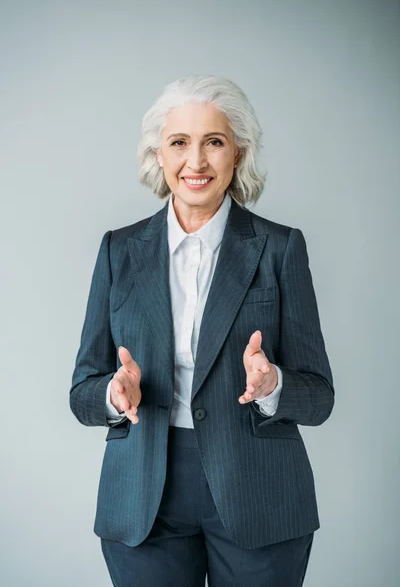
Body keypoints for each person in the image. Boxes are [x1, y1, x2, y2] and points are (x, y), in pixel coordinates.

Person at [70, 75, 334, 587]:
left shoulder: (280, 250)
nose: (196, 161)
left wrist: (273, 385)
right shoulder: (117, 251)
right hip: (144, 495)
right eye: (179, 143)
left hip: (259, 493)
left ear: (238, 153)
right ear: (159, 155)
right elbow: (82, 392)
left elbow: (319, 397)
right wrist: (111, 392)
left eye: (214, 142)